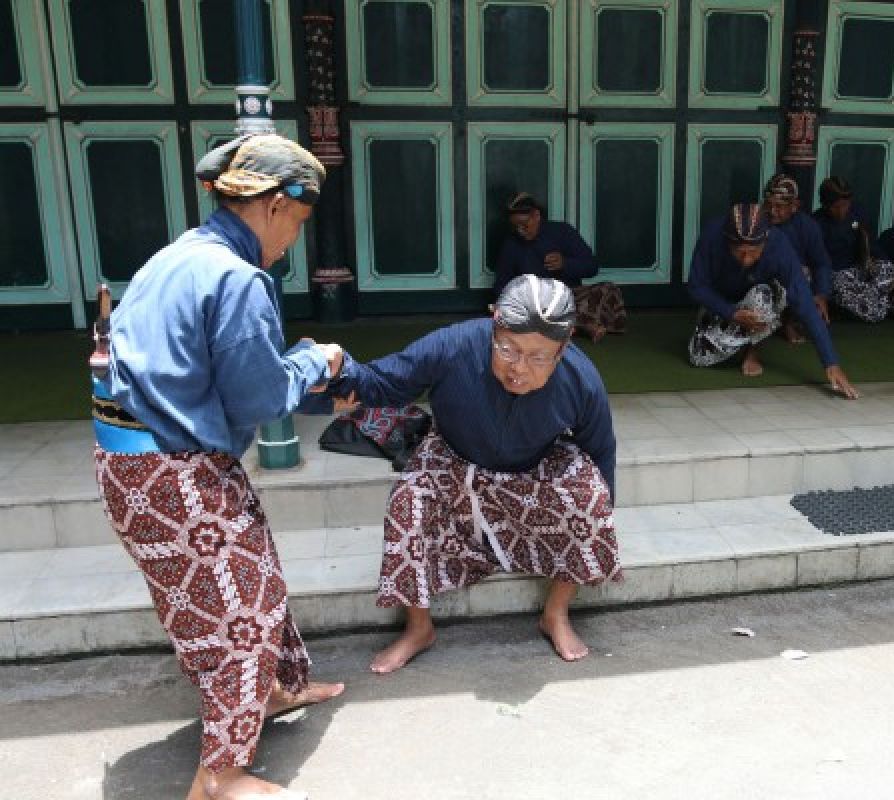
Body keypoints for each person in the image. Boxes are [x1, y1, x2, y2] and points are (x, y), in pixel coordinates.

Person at [92, 134, 346, 800]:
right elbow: (261, 399)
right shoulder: (238, 279)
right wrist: (316, 359)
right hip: (174, 470)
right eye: (299, 218)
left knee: (233, 588)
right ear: (271, 204)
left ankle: (278, 688)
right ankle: (222, 774)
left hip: (133, 466)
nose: (295, 236)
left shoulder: (174, 257)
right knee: (240, 616)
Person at [324, 276, 622, 673]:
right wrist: (341, 368)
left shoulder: (581, 380)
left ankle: (556, 613)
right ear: (493, 321)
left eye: (538, 357)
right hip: (452, 458)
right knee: (407, 501)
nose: (519, 368)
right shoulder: (454, 346)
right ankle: (418, 627)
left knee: (591, 495)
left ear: (564, 347)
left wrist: (597, 517)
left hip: (531, 468)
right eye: (507, 348)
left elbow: (601, 450)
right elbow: (384, 381)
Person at [685, 202, 859, 397]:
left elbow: (804, 302)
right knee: (698, 358)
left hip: (760, 297)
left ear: (765, 239)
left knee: (762, 295)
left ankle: (753, 351)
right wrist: (730, 313)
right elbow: (696, 286)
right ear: (728, 241)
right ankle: (736, 336)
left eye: (752, 252)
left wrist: (831, 363)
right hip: (722, 304)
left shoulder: (779, 245)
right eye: (739, 251)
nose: (745, 259)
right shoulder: (712, 234)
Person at [494, 192, 627, 342]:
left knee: (608, 289)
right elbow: (502, 284)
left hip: (571, 297)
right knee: (527, 311)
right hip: (537, 304)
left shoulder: (562, 231)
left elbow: (592, 266)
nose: (520, 231)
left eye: (524, 225)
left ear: (536, 216)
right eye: (515, 227)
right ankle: (581, 325)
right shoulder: (511, 245)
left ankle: (569, 325)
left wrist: (566, 264)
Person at [811, 176, 894, 323]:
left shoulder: (858, 212)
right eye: (836, 206)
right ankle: (870, 303)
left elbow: (872, 245)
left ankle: (869, 297)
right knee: (872, 312)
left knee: (887, 268)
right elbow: (818, 263)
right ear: (825, 204)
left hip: (859, 270)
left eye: (845, 205)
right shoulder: (815, 223)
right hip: (836, 276)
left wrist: (882, 263)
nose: (841, 210)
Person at [761, 173, 834, 340]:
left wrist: (821, 295)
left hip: (789, 282)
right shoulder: (756, 220)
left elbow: (821, 263)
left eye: (779, 206)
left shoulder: (807, 226)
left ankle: (788, 321)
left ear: (794, 206)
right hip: (758, 279)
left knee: (802, 273)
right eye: (768, 205)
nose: (772, 211)